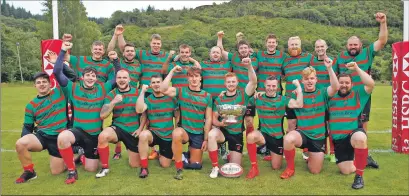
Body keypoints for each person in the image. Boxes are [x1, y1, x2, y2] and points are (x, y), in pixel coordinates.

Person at [53, 41, 121, 184]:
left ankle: (83, 156)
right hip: (78, 131)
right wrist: (62, 51)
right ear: (82, 77)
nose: (90, 78)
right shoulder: (73, 88)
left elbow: (117, 77)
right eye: (87, 75)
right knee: (63, 137)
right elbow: (57, 72)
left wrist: (115, 61)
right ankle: (72, 171)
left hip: (94, 135)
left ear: (96, 79)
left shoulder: (103, 88)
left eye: (93, 76)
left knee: (91, 169)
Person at [332, 12, 388, 169]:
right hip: (345, 98)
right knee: (343, 126)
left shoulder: (367, 53)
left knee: (363, 126)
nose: (353, 47)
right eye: (350, 44)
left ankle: (365, 155)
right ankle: (345, 154)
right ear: (346, 46)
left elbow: (382, 41)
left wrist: (383, 22)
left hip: (362, 96)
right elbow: (332, 75)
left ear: (360, 46)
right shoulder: (341, 57)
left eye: (355, 44)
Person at [280, 58, 340, 179]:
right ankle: (290, 168)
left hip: (318, 137)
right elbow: (294, 104)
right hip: (302, 134)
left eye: (312, 78)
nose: (309, 81)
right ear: (302, 81)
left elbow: (335, 87)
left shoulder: (322, 92)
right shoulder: (296, 94)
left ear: (316, 80)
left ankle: (312, 158)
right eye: (306, 79)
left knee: (315, 171)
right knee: (288, 139)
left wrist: (329, 68)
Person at [207, 57, 257, 179]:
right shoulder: (219, 99)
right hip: (223, 131)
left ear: (237, 82)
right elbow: (214, 119)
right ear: (225, 84)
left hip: (236, 133)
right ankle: (215, 167)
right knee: (212, 134)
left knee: (235, 166)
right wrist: (220, 124)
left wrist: (249, 66)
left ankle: (229, 155)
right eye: (228, 82)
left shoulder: (243, 95)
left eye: (233, 82)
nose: (231, 84)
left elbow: (253, 82)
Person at [160, 66, 212, 180]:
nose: (194, 79)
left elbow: (208, 119)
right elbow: (163, 89)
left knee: (196, 165)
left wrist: (206, 139)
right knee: (176, 133)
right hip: (184, 131)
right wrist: (172, 71)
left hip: (198, 133)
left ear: (201, 78)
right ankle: (179, 168)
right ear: (187, 78)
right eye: (191, 76)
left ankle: (185, 155)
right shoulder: (181, 91)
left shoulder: (207, 96)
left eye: (196, 76)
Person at [14, 72, 68, 183]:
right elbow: (27, 127)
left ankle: (74, 157)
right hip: (42, 136)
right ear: (35, 86)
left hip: (60, 138)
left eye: (44, 82)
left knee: (56, 172)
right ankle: (29, 172)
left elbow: (68, 77)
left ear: (50, 83)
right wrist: (26, 143)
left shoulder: (60, 93)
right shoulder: (31, 106)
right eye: (38, 82)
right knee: (20, 143)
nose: (41, 84)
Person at [328, 62, 375, 189]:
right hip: (339, 140)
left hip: (353, 133)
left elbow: (370, 84)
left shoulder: (357, 94)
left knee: (360, 137)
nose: (344, 85)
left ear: (352, 84)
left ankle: (359, 177)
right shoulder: (330, 96)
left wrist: (357, 68)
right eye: (341, 82)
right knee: (346, 170)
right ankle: (363, 160)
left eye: (347, 82)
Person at [245, 77, 303, 179]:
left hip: (277, 137)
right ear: (264, 86)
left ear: (277, 87)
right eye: (268, 85)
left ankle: (274, 155)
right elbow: (244, 100)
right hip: (263, 135)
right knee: (250, 137)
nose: (270, 88)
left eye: (273, 86)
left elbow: (299, 104)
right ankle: (254, 168)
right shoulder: (257, 98)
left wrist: (299, 88)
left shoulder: (283, 99)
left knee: (276, 167)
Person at [95, 69, 146, 178]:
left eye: (124, 78)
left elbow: (144, 114)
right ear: (116, 80)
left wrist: (140, 129)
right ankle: (104, 168)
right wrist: (113, 102)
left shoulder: (137, 92)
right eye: (119, 78)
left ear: (129, 79)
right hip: (117, 127)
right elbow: (102, 115)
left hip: (133, 131)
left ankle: (133, 150)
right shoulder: (112, 94)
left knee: (135, 165)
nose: (122, 80)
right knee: (103, 136)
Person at [217, 31, 258, 138]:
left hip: (249, 94)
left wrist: (257, 90)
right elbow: (220, 50)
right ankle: (230, 145)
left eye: (245, 47)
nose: (243, 50)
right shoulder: (234, 57)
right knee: (231, 122)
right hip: (236, 96)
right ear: (238, 50)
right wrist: (220, 37)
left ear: (249, 49)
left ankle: (250, 143)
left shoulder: (255, 60)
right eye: (241, 48)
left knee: (249, 121)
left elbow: (258, 77)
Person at [136, 76, 178, 178]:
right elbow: (140, 111)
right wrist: (140, 129)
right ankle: (144, 168)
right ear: (150, 85)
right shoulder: (148, 99)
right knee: (143, 135)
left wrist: (176, 131)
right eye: (153, 82)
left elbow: (177, 116)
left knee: (165, 165)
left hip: (167, 135)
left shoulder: (171, 99)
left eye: (158, 82)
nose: (156, 84)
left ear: (163, 83)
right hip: (153, 133)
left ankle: (160, 153)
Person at [255, 33, 288, 160]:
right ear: (266, 43)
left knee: (277, 122)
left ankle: (279, 148)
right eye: (269, 42)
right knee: (262, 120)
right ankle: (265, 147)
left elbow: (286, 70)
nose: (271, 44)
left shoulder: (282, 56)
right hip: (261, 92)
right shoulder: (259, 54)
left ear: (276, 44)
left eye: (273, 42)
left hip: (277, 93)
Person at [282, 36, 313, 160]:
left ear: (300, 45)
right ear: (288, 46)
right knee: (291, 125)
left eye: (296, 44)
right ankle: (288, 150)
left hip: (305, 98)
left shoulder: (308, 57)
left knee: (305, 124)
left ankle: (307, 150)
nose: (294, 46)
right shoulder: (285, 60)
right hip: (290, 99)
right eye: (291, 45)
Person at [310, 39, 336, 162]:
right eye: (317, 47)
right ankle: (324, 150)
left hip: (330, 98)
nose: (320, 49)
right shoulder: (312, 62)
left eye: (322, 46)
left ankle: (333, 153)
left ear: (326, 47)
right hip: (317, 100)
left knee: (331, 126)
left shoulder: (331, 61)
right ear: (315, 49)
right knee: (321, 126)